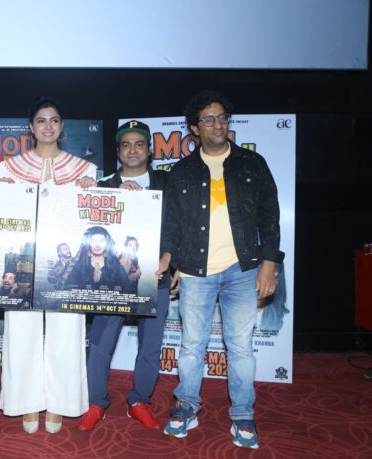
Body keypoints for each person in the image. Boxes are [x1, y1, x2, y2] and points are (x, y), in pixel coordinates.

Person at [158, 91, 283, 449]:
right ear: (194, 128)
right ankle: (186, 406)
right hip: (197, 270)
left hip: (243, 270)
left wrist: (269, 264)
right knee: (192, 345)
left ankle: (243, 414)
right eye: (209, 119)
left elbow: (269, 217)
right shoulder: (181, 171)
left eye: (223, 118)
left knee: (240, 347)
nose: (218, 124)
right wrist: (169, 259)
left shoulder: (252, 164)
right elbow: (172, 224)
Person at [0, 97, 96, 434]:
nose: (48, 127)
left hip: (65, 263)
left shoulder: (85, 170)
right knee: (21, 330)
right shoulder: (8, 168)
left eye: (54, 120)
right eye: (41, 121)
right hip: (24, 258)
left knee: (67, 331)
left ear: (62, 126)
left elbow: (90, 219)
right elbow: (3, 217)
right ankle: (26, 403)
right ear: (31, 127)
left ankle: (60, 403)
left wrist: (90, 193)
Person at [76, 120, 172, 432]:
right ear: (118, 151)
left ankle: (139, 401)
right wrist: (110, 195)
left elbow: (178, 226)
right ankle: (95, 402)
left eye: (139, 144)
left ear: (150, 150)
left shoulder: (167, 183)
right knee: (101, 342)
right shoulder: (102, 185)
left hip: (153, 274)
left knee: (151, 344)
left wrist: (173, 260)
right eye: (126, 145)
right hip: (112, 281)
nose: (133, 150)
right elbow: (83, 228)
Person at [66, 226, 129, 292]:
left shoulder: (116, 265)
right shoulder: (80, 266)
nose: (97, 245)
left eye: (102, 240)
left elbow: (126, 288)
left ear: (107, 243)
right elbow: (69, 288)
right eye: (93, 241)